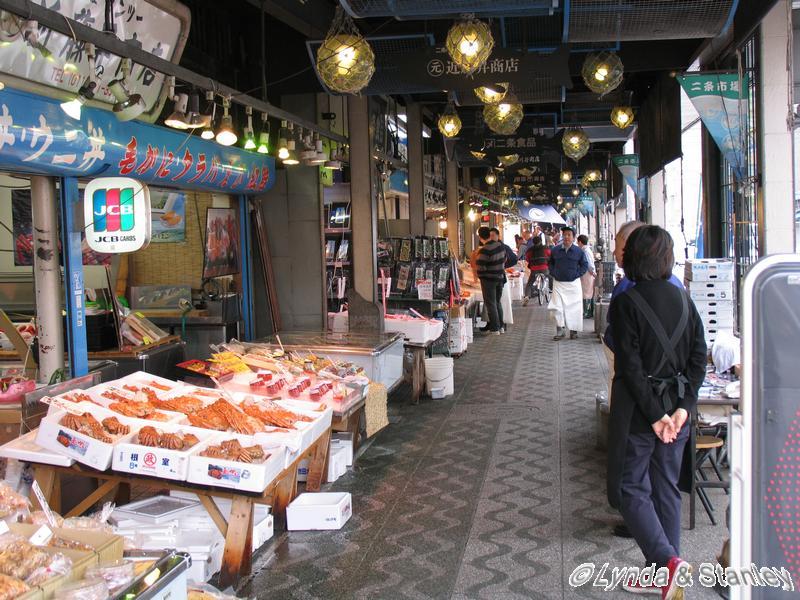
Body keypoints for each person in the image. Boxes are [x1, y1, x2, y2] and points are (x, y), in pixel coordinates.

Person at [607, 225, 706, 598]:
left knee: (629, 487)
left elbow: (629, 367)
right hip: (676, 408)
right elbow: (699, 357)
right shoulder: (684, 298)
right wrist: (682, 409)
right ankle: (666, 574)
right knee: (665, 486)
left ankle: (666, 562)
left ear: (635, 256)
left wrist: (655, 416)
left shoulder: (626, 302)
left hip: (639, 410)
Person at [547, 226, 588, 340]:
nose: (566, 237)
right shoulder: (555, 250)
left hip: (573, 284)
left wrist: (577, 274)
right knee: (557, 307)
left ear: (573, 237)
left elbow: (584, 265)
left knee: (574, 308)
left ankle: (573, 331)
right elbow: (550, 263)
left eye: (569, 235)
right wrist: (553, 272)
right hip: (558, 283)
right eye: (564, 234)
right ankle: (560, 330)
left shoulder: (578, 251)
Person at [475, 226, 506, 334]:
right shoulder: (500, 246)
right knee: (497, 302)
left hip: (489, 280)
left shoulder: (484, 250)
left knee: (491, 303)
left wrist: (481, 276)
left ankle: (494, 328)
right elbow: (504, 259)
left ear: (480, 237)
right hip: (500, 278)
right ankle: (501, 327)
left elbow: (480, 267)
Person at [523, 236, 550, 306]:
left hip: (534, 269)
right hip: (544, 268)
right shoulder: (545, 248)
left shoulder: (530, 250)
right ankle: (550, 288)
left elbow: (527, 258)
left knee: (530, 283)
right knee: (549, 276)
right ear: (541, 241)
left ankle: (527, 296)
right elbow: (550, 255)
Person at [577, 234, 596, 318]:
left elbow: (588, 263)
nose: (577, 244)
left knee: (586, 292)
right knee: (588, 292)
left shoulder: (585, 251)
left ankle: (586, 312)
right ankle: (589, 312)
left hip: (587, 274)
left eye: (578, 242)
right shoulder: (587, 250)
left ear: (580, 242)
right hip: (588, 274)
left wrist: (592, 272)